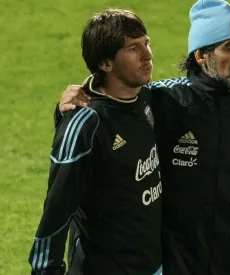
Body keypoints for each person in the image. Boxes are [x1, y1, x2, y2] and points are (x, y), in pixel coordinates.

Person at [58, 1, 230, 274]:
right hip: (182, 263)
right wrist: (77, 100)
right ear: (201, 56)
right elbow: (111, 105)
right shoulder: (165, 101)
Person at [28, 9, 163, 275]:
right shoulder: (86, 125)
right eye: (133, 48)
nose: (147, 55)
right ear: (105, 62)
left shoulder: (148, 99)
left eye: (147, 43)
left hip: (153, 266)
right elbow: (56, 212)